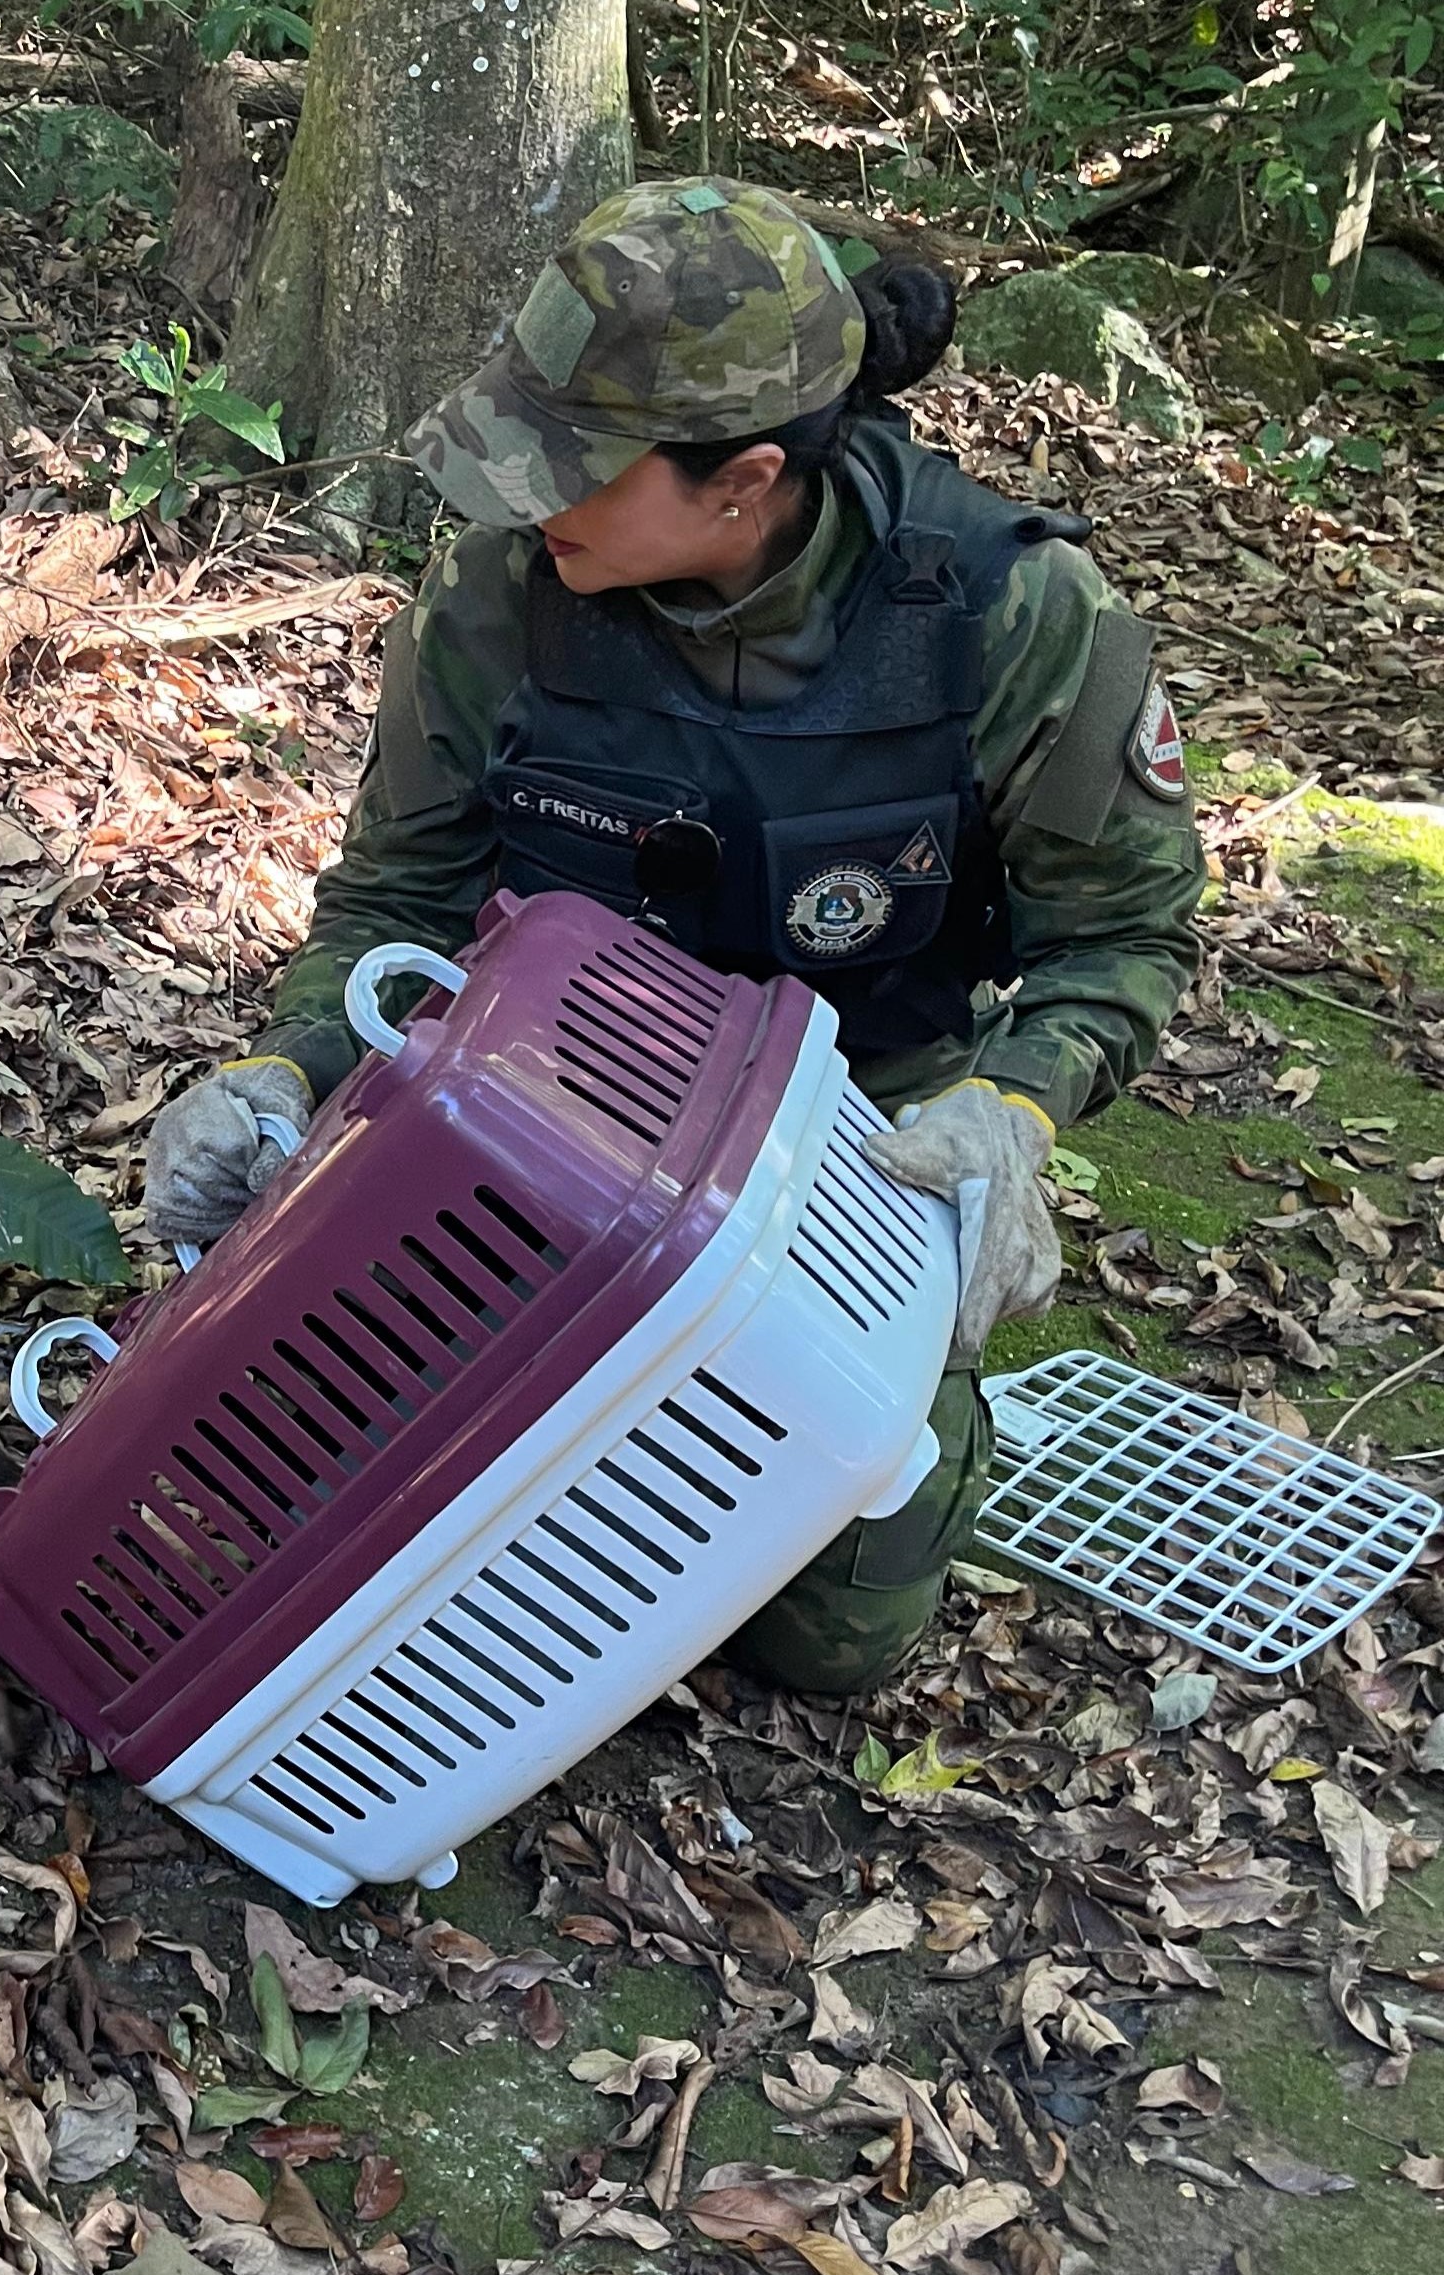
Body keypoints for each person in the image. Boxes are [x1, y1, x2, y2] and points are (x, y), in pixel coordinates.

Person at [143, 177, 1205, 1695]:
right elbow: (396, 897)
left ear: (743, 478)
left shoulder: (1012, 613)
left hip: (849, 1156)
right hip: (534, 1126)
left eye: (567, 468)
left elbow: (1126, 930)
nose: (517, 500)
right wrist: (286, 1067)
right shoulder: (501, 596)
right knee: (310, 1525)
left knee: (821, 1643)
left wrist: (1014, 1107)